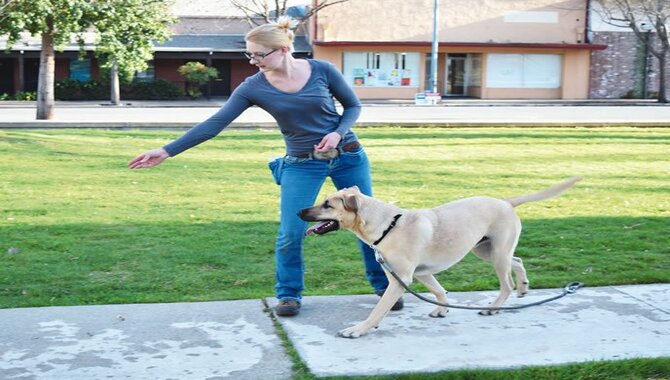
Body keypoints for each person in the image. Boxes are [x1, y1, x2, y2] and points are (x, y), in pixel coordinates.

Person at [128, 16, 402, 316]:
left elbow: (353, 106)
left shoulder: (323, 70)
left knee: (369, 225)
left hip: (348, 156)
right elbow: (216, 123)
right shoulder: (253, 87)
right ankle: (288, 295)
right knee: (290, 231)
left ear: (283, 49)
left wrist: (337, 132)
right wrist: (167, 151)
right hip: (301, 164)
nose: (253, 61)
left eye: (259, 54)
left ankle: (383, 286)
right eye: (250, 55)